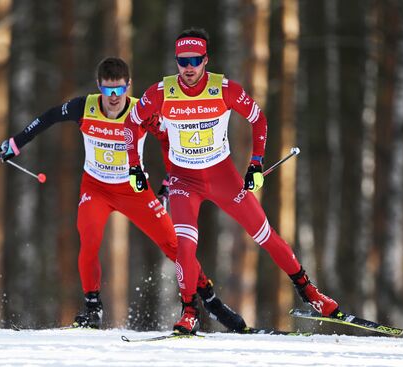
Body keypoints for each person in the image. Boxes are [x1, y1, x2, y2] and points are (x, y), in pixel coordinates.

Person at [0, 57, 247, 331]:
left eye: (119, 89)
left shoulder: (141, 111)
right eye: (107, 90)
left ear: (128, 86)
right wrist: (15, 143)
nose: (114, 97)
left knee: (175, 246)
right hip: (97, 188)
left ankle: (211, 300)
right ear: (99, 88)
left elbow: (169, 140)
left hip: (134, 190)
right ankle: (92, 308)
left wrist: (170, 177)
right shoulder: (85, 107)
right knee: (88, 239)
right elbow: (49, 117)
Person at [124, 28, 340, 335]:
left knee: (265, 235)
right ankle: (189, 312)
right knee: (185, 247)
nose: (188, 67)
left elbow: (258, 119)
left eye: (195, 60)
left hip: (222, 176)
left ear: (205, 60)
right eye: (182, 60)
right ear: (176, 61)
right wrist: (135, 167)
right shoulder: (161, 92)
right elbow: (130, 124)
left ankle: (312, 294)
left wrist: (255, 164)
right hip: (184, 180)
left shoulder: (223, 89)